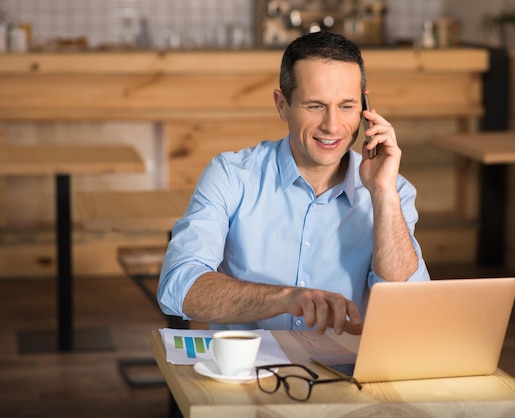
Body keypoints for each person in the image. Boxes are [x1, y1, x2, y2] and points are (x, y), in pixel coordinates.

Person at [157, 31, 430, 336]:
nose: (333, 125)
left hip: (350, 376)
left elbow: (408, 306)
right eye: (315, 106)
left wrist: (383, 195)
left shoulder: (393, 190)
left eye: (347, 106)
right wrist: (287, 299)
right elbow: (178, 287)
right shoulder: (232, 176)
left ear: (366, 109)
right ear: (282, 105)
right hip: (253, 373)